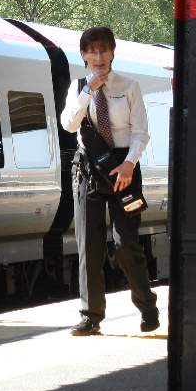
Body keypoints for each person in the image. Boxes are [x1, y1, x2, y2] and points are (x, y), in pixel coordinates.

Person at [61, 26, 161, 336]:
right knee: (89, 245)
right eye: (92, 51)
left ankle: (147, 306)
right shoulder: (79, 87)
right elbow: (68, 124)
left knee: (124, 244)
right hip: (89, 169)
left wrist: (130, 163)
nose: (98, 56)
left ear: (113, 52)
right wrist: (88, 91)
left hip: (124, 168)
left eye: (104, 50)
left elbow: (140, 132)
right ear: (83, 55)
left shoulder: (130, 86)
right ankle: (91, 316)